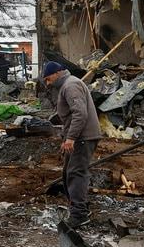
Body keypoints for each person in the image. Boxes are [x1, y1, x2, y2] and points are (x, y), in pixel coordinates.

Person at [42, 60, 101, 227]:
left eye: (48, 79)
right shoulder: (68, 84)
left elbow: (80, 114)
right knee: (69, 173)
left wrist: (71, 138)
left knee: (76, 174)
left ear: (56, 73)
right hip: (80, 137)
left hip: (83, 138)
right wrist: (66, 137)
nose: (48, 83)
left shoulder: (71, 86)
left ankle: (79, 214)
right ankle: (80, 208)